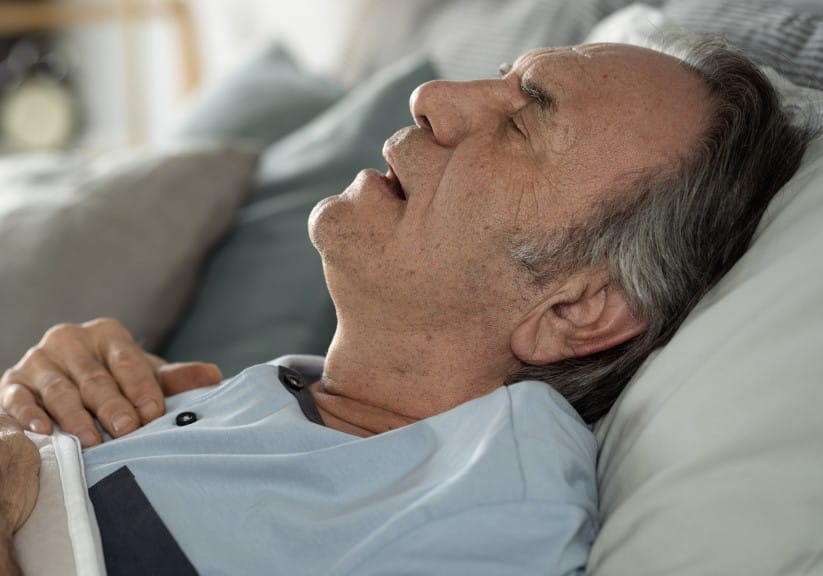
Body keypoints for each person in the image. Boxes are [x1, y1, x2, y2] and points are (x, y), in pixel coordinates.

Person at [0, 39, 814, 575]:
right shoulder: (282, 394)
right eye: (498, 74)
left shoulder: (493, 502)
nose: (432, 95)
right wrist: (39, 413)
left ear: (578, 310)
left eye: (525, 119)